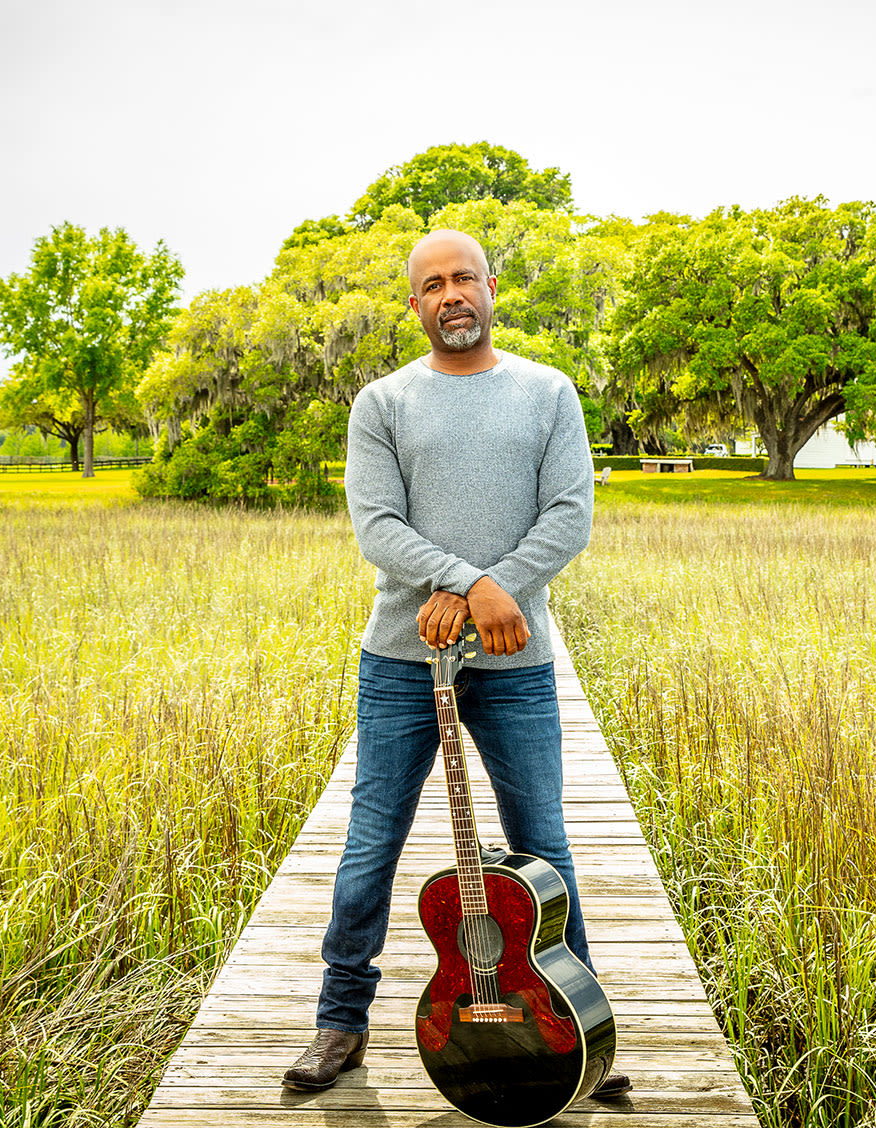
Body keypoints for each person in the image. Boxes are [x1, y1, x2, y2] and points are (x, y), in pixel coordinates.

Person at [282, 229, 628, 1099]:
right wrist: (472, 582)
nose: (451, 295)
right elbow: (378, 528)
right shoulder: (383, 403)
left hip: (514, 658)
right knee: (371, 843)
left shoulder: (547, 393)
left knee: (541, 846)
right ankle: (340, 1022)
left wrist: (496, 594)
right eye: (432, 285)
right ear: (416, 305)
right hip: (403, 655)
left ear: (491, 286)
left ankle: (574, 1024)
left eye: (463, 277)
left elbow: (569, 514)